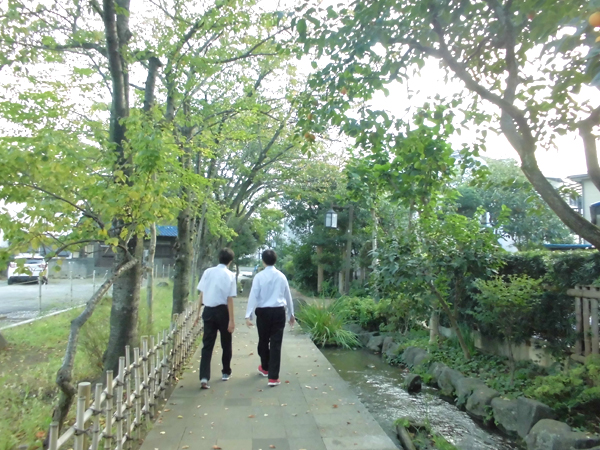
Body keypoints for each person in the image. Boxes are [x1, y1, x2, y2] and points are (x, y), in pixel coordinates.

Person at [245, 249, 295, 387]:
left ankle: (265, 368)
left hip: (263, 312)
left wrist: (248, 315)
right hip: (278, 312)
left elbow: (253, 295)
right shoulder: (281, 276)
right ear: (275, 260)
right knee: (276, 344)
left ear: (263, 260)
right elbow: (288, 296)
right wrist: (291, 314)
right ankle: (273, 377)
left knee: (263, 340)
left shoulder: (259, 277)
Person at [197, 248, 237, 389]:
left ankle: (204, 377)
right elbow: (230, 299)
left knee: (207, 344)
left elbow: (201, 294)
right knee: (226, 342)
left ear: (218, 257)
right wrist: (232, 320)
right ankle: (225, 372)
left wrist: (197, 313)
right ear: (230, 261)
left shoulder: (208, 272)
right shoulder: (230, 275)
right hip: (222, 311)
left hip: (208, 310)